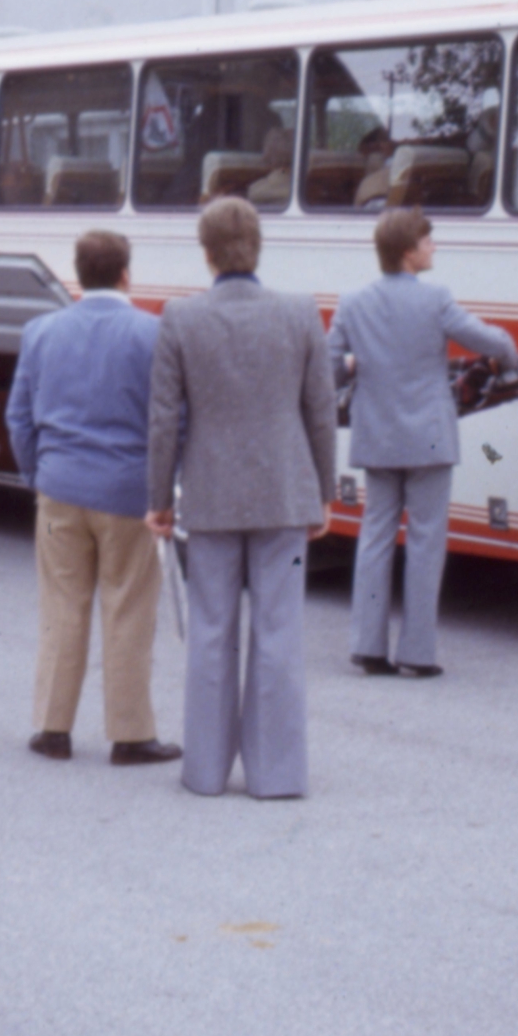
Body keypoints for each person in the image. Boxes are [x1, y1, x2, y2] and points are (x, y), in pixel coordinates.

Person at [146, 198, 335, 799]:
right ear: (259, 248)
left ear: (206, 254)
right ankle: (276, 775)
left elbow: (163, 421)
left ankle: (204, 771)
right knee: (280, 633)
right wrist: (323, 493)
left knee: (210, 631)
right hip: (284, 490)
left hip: (210, 493)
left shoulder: (180, 318)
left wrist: (160, 497)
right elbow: (321, 414)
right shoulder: (301, 313)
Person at [6, 230, 181, 767]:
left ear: (78, 275)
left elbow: (18, 417)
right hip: (129, 494)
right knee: (128, 608)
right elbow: (169, 421)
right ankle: (130, 735)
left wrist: (41, 473)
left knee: (63, 608)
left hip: (60, 488)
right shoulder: (153, 333)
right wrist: (165, 489)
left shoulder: (41, 331)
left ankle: (52, 729)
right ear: (126, 274)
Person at [327, 208, 518, 678]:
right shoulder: (436, 299)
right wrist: (511, 355)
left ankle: (367, 646)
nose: (434, 247)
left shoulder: (352, 302)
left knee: (374, 537)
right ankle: (417, 652)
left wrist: (355, 366)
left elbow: (328, 369)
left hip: (377, 435)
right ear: (408, 251)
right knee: (426, 542)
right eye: (428, 240)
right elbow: (488, 342)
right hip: (429, 438)